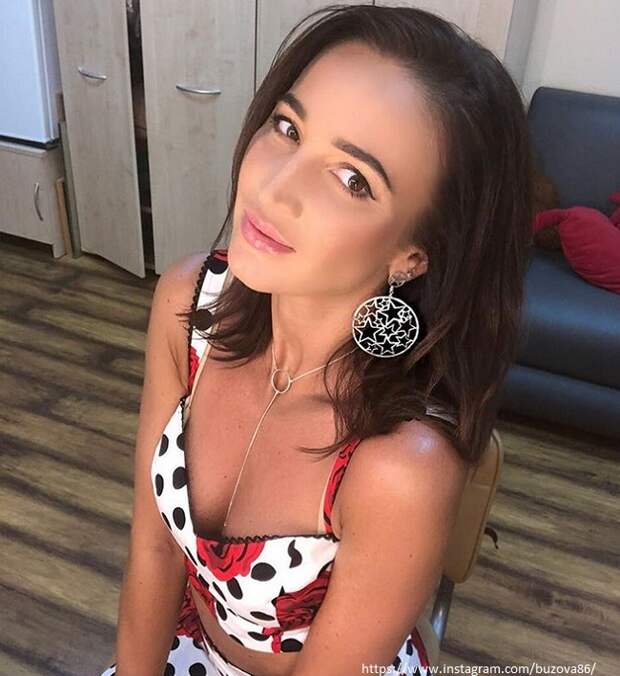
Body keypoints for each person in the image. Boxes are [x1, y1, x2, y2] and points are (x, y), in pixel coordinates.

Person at [101, 4, 534, 675]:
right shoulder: (188, 307)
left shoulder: (398, 467)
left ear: (413, 253)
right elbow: (154, 548)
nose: (276, 188)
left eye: (353, 179)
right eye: (288, 127)